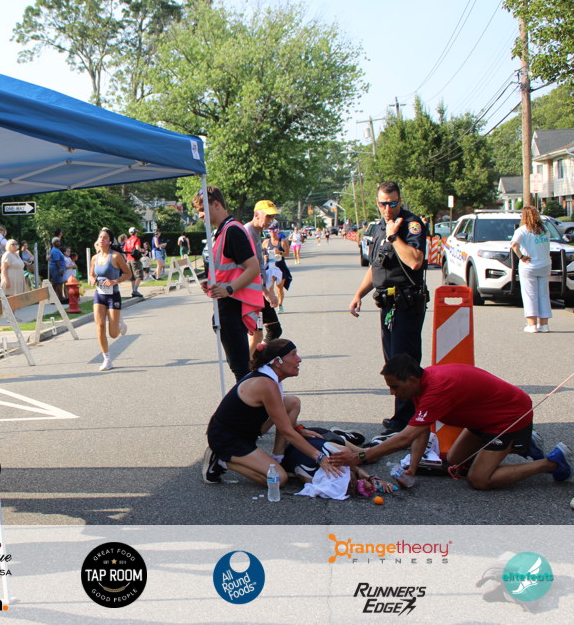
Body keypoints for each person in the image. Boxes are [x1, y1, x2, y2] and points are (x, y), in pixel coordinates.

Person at [330, 355, 573, 490]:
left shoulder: (436, 390)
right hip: (485, 420)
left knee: (479, 480)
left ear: (411, 379)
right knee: (455, 460)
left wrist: (362, 456)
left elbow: (405, 437)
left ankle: (552, 462)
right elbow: (421, 430)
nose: (392, 392)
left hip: (509, 418)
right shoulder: (420, 386)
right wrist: (413, 466)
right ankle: (525, 443)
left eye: (394, 386)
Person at [201, 339, 341, 487]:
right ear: (277, 361)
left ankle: (277, 458)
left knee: (293, 402)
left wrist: (299, 429)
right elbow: (286, 432)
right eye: (293, 355)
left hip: (246, 432)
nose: (299, 359)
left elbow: (283, 418)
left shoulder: (269, 378)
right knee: (278, 479)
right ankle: (221, 461)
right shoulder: (266, 384)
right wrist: (319, 457)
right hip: (226, 439)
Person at [348, 181, 429, 433]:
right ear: (377, 203)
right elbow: (376, 266)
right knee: (393, 362)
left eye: (393, 203)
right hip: (387, 304)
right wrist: (359, 294)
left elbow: (415, 262)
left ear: (400, 201)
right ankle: (402, 416)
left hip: (407, 303)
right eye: (383, 203)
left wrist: (394, 237)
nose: (388, 208)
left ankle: (407, 421)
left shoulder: (411, 224)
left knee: (405, 363)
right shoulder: (379, 227)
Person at [193, 186, 264, 382]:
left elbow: (253, 268)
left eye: (202, 209)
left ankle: (256, 400)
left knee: (240, 368)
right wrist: (213, 283)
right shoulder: (223, 231)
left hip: (234, 306)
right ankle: (256, 398)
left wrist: (229, 288)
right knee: (240, 366)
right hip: (228, 304)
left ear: (216, 204)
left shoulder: (231, 231)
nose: (200, 215)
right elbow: (231, 268)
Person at [88, 227, 131, 371]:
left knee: (113, 334)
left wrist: (115, 281)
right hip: (99, 295)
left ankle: (119, 323)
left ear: (110, 241)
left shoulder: (116, 256)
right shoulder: (95, 258)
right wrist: (92, 279)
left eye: (105, 237)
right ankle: (107, 359)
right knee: (100, 327)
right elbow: (91, 274)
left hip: (113, 295)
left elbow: (128, 274)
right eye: (100, 237)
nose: (101, 239)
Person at [244, 200, 282, 354]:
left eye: (273, 217)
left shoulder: (257, 232)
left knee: (260, 334)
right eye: (268, 216)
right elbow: (249, 269)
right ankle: (249, 363)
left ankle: (253, 361)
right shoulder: (247, 233)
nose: (271, 221)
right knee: (268, 332)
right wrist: (266, 293)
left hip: (258, 290)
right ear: (256, 214)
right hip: (253, 292)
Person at [510, 205, 552, 333]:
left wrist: (521, 256)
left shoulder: (522, 230)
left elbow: (514, 244)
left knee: (530, 294)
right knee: (543, 294)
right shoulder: (544, 229)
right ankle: (544, 325)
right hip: (545, 264)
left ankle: (532, 324)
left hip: (529, 266)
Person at [262, 225, 292, 312]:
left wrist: (280, 253)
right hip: (270, 267)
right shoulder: (266, 242)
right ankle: (272, 304)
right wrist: (265, 257)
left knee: (279, 287)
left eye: (274, 230)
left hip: (280, 266)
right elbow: (262, 253)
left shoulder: (283, 241)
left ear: (278, 230)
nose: (273, 232)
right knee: (270, 287)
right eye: (270, 230)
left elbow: (287, 254)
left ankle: (280, 305)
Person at [123, 227, 145, 298]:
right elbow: (137, 248)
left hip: (128, 259)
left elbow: (124, 250)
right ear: (135, 232)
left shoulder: (127, 240)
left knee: (132, 277)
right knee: (138, 275)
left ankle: (133, 291)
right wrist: (142, 250)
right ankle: (135, 291)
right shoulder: (136, 239)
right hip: (135, 259)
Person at [48, 236, 67, 302]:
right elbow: (57, 261)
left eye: (59, 241)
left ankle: (53, 297)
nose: (58, 243)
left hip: (57, 269)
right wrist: (60, 269)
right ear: (53, 243)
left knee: (55, 283)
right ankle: (61, 297)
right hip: (56, 269)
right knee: (59, 283)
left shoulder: (56, 250)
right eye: (56, 242)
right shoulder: (55, 251)